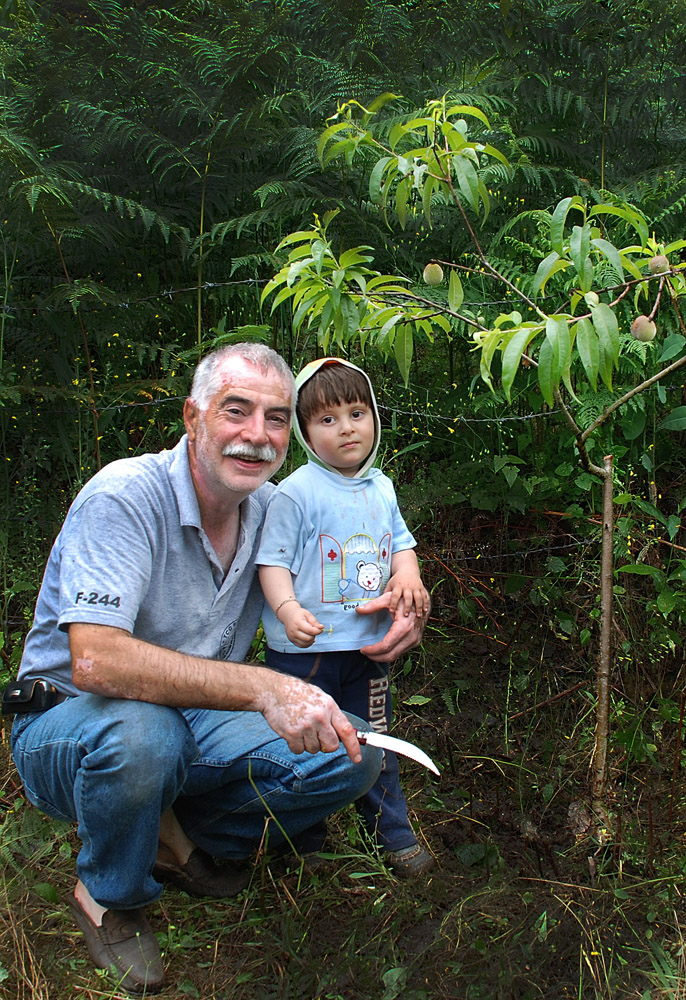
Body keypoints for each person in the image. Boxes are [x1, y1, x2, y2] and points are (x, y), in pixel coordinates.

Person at [9, 343, 426, 995]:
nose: (257, 435)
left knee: (353, 750)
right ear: (192, 417)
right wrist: (265, 686)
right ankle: (108, 894)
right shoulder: (124, 497)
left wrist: (400, 608)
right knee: (145, 737)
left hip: (195, 721)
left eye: (277, 418)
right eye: (237, 411)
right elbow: (93, 659)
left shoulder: (270, 511)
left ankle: (176, 838)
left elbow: (341, 586)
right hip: (71, 722)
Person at [257, 358, 434, 878]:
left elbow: (401, 545)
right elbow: (273, 562)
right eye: (327, 420)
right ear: (305, 432)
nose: (346, 429)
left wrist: (409, 577)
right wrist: (288, 610)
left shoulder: (381, 487)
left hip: (367, 647)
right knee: (304, 741)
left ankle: (392, 837)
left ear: (375, 416)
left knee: (374, 739)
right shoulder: (298, 492)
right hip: (305, 652)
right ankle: (302, 846)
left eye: (357, 413)